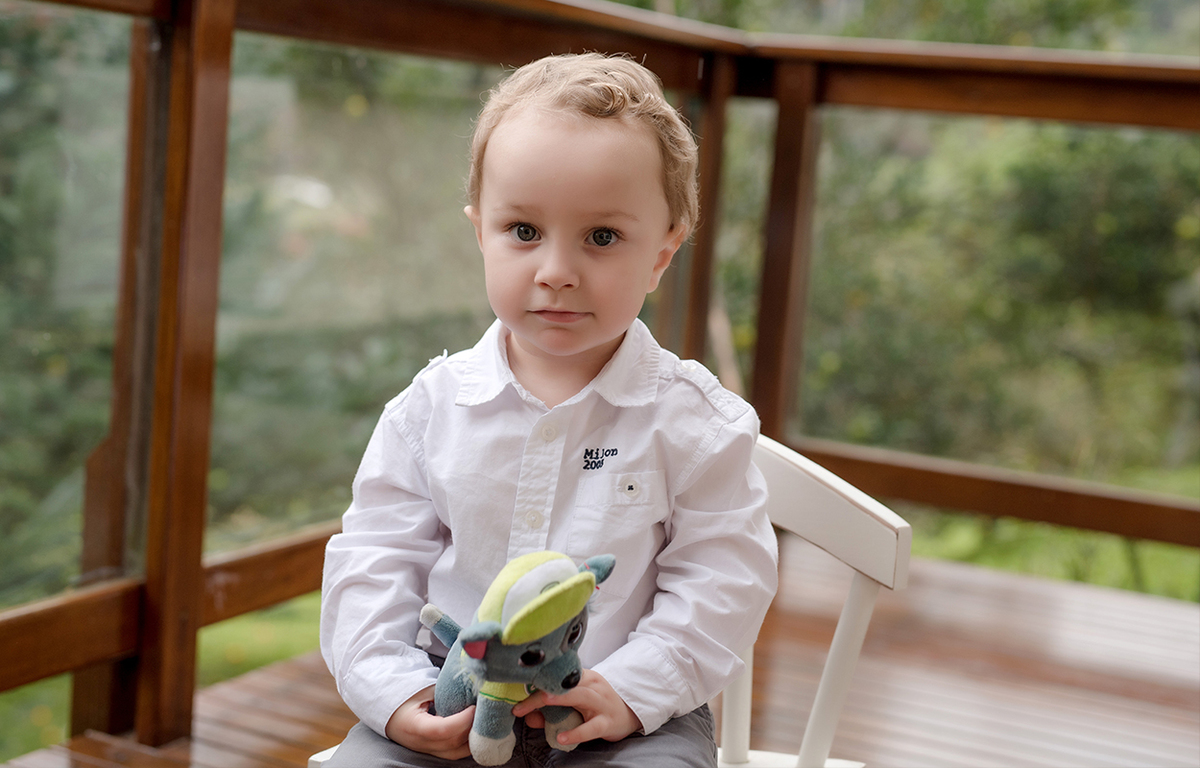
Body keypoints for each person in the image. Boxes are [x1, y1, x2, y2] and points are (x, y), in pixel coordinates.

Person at [320, 52, 779, 767]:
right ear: (481, 231)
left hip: (622, 716)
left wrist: (632, 691)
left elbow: (723, 582)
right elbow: (373, 562)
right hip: (451, 696)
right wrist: (395, 694)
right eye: (524, 231)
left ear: (663, 254)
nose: (556, 271)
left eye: (601, 237)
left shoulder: (695, 425)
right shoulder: (429, 411)